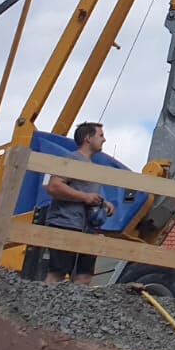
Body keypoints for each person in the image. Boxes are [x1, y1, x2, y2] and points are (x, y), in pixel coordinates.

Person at [42, 121, 113, 285]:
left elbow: (87, 195)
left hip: (87, 229)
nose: (104, 139)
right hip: (66, 223)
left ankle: (74, 310)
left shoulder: (92, 167)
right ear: (88, 138)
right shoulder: (72, 159)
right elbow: (54, 186)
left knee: (84, 277)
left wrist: (104, 204)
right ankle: (44, 308)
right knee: (57, 274)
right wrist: (84, 197)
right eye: (101, 135)